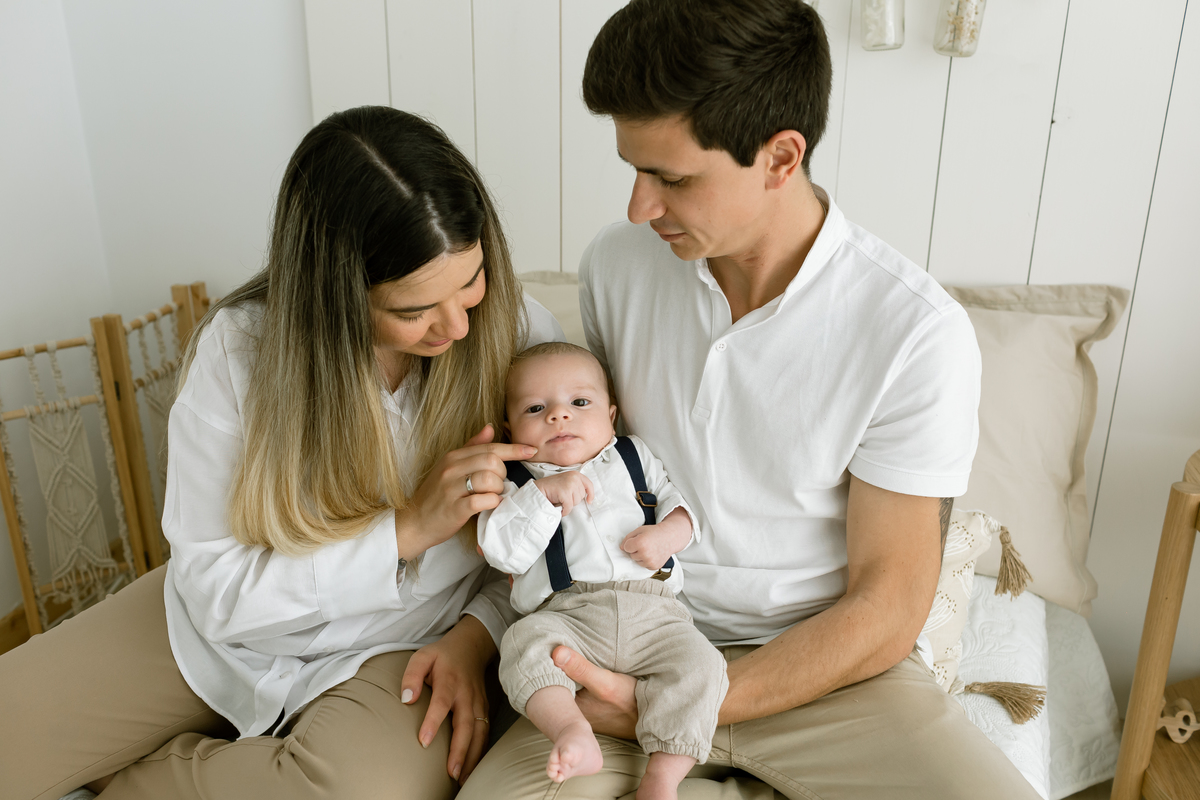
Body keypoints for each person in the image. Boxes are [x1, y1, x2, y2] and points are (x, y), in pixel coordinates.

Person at [459, 1, 1043, 798]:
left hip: (830, 677)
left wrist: (683, 703)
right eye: (633, 168)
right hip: (610, 640)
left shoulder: (913, 330)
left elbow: (888, 602)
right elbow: (571, 484)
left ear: (780, 156)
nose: (640, 206)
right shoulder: (619, 267)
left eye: (670, 177)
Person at [0, 106, 563, 800]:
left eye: (470, 281)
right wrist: (405, 532)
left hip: (406, 643)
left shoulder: (523, 338)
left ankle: (134, 777)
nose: (457, 324)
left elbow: (570, 530)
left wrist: (478, 636)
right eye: (414, 309)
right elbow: (216, 589)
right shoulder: (239, 353)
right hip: (219, 630)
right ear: (334, 297)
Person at [477, 342, 727, 800]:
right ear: (512, 426)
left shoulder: (634, 456)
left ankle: (663, 777)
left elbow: (679, 504)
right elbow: (501, 552)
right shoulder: (515, 481)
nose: (559, 416)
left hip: (655, 615)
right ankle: (572, 731)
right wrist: (544, 495)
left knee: (703, 666)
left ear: (611, 416)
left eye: (579, 402)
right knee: (522, 645)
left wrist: (668, 534)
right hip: (566, 617)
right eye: (537, 407)